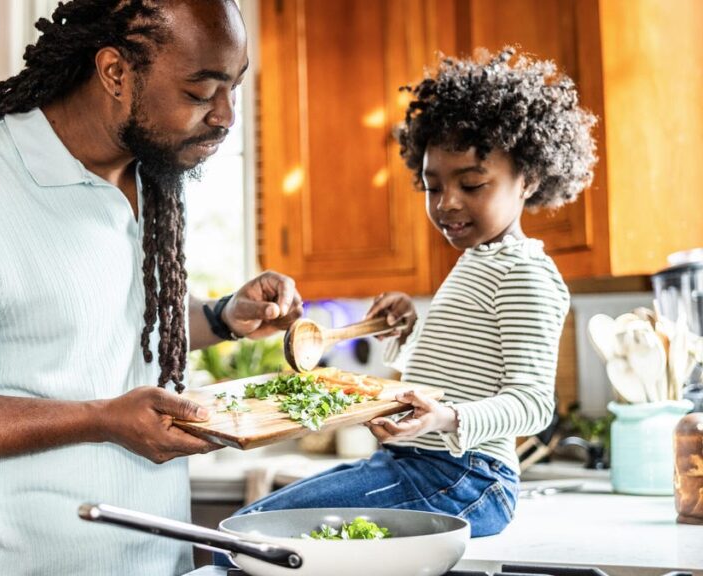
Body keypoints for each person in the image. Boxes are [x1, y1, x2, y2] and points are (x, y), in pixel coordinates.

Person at [0, 1, 303, 574]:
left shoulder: (149, 174)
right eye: (200, 92)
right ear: (116, 73)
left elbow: (105, 323)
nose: (225, 116)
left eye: (234, 87)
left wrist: (220, 316)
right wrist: (100, 420)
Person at [229, 47, 597, 539]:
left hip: (464, 478)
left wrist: (444, 417)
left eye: (472, 184)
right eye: (432, 186)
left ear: (527, 179)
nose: (447, 203)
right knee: (247, 532)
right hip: (421, 467)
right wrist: (401, 335)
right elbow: (457, 372)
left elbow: (532, 404)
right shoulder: (479, 261)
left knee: (252, 535)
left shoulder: (526, 274)